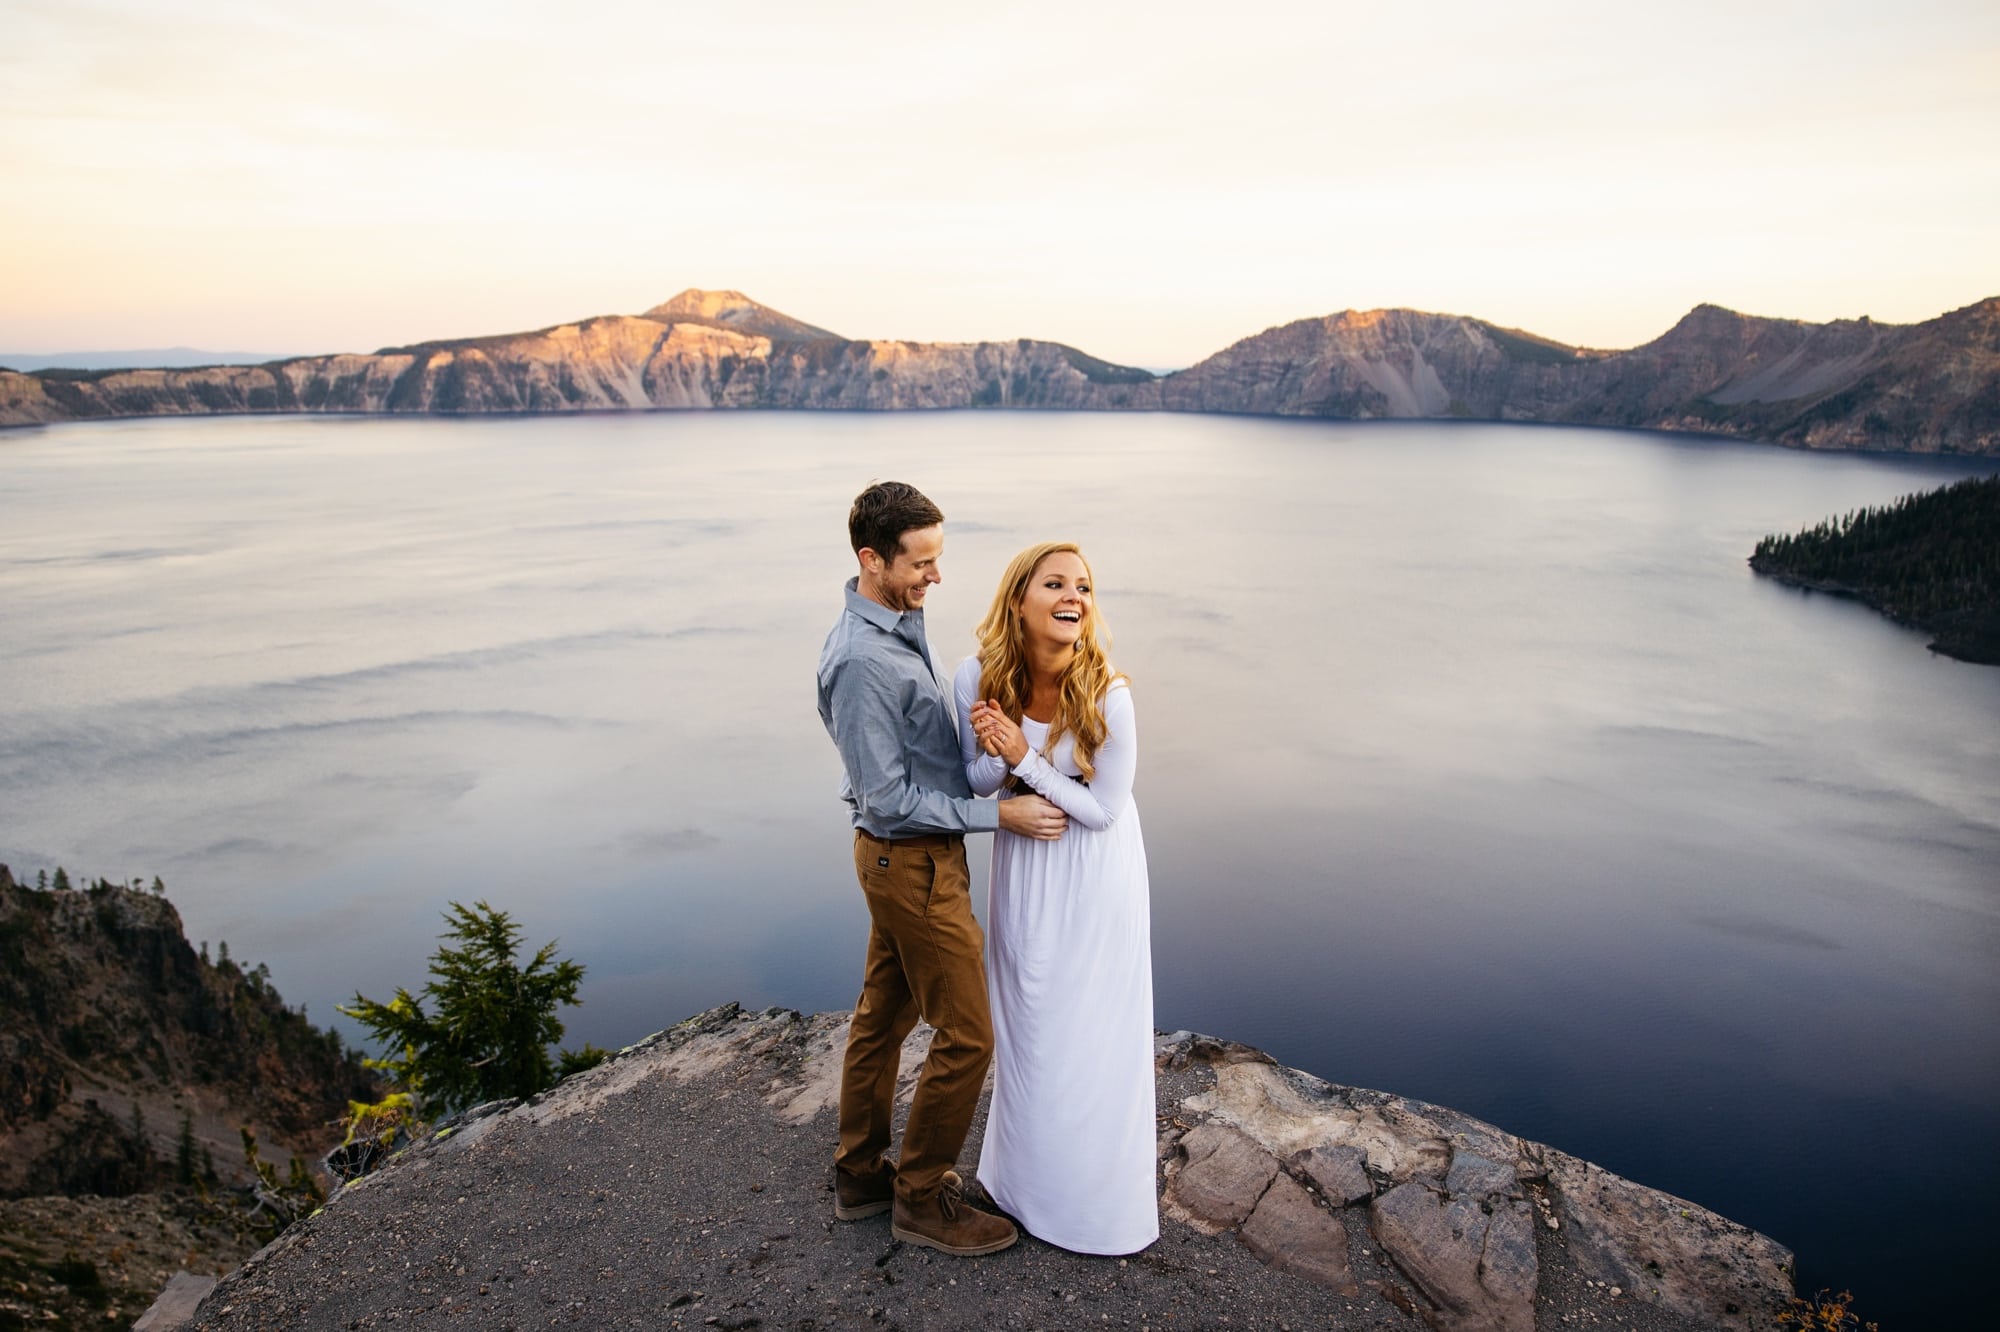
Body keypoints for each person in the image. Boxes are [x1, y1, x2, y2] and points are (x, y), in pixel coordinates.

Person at [816, 481, 1068, 1257]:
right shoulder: (863, 659)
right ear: (871, 559)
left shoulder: (894, 620)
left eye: (938, 559)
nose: (934, 577)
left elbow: (895, 767)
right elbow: (888, 798)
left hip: (905, 861)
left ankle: (861, 1177)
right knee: (967, 1034)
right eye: (920, 563)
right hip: (911, 865)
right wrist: (1003, 813)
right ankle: (920, 1200)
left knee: (882, 1019)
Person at [956, 541, 1159, 1256]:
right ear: (1020, 599)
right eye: (1055, 583)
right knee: (1029, 1020)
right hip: (1026, 864)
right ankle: (1022, 1188)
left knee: (1090, 1028)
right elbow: (978, 785)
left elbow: (1102, 811)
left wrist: (1022, 760)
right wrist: (992, 746)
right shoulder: (978, 675)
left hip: (1094, 875)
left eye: (1084, 586)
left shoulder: (1111, 692)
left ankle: (1093, 1208)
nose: (1074, 596)